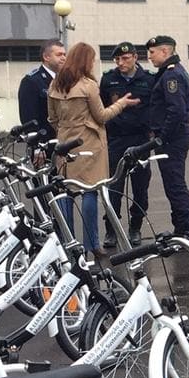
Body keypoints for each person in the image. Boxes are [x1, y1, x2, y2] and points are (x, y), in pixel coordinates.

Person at [47, 42, 138, 254]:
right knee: (90, 192)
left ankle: (68, 242)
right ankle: (92, 243)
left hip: (64, 142)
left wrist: (65, 130)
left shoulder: (55, 85)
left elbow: (52, 118)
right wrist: (122, 103)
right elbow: (102, 116)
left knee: (66, 192)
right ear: (86, 61)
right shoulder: (88, 84)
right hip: (89, 142)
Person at [99, 41, 155, 249]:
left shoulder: (148, 80)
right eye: (117, 59)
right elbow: (101, 107)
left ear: (135, 58)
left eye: (125, 58)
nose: (120, 62)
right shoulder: (108, 79)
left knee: (141, 188)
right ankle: (111, 229)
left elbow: (156, 107)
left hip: (141, 140)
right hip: (116, 139)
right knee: (114, 187)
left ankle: (136, 227)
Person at [145, 34, 189, 243]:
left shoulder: (171, 76)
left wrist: (162, 137)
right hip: (174, 136)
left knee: (175, 183)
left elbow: (176, 111)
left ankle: (188, 230)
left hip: (172, 138)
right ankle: (181, 228)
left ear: (165, 51)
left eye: (152, 52)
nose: (149, 56)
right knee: (172, 183)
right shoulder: (170, 72)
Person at [18, 38, 66, 147]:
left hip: (63, 141)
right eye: (59, 55)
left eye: (64, 54)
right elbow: (28, 118)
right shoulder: (32, 81)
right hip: (45, 143)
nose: (63, 58)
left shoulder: (66, 80)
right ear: (46, 57)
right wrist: (36, 145)